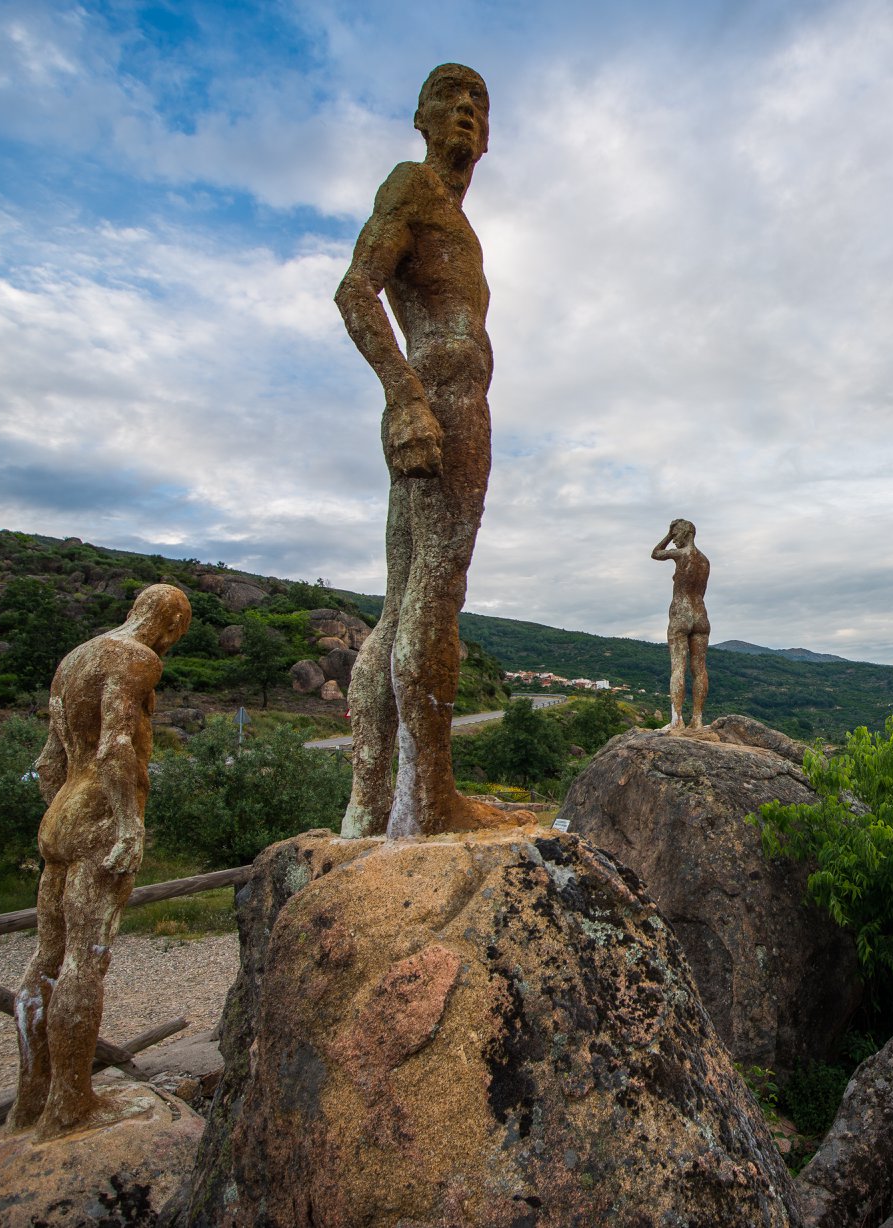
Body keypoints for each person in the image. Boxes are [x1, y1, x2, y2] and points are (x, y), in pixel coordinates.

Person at [335, 63, 512, 836]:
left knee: (402, 598)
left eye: (479, 101)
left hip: (437, 402)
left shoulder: (454, 218)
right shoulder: (411, 186)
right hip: (442, 403)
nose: (467, 110)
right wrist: (405, 396)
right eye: (451, 96)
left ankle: (370, 802)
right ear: (420, 118)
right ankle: (429, 801)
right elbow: (355, 289)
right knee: (437, 590)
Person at [10, 583, 189, 1137]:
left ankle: (28, 1102)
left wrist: (62, 812)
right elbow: (116, 746)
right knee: (84, 962)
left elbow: (48, 760)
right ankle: (70, 1104)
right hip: (99, 817)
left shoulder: (76, 659)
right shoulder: (136, 659)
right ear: (172, 623)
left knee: (46, 957)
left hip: (61, 812)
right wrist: (128, 822)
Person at [652, 519, 711, 730]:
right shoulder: (704, 560)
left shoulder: (682, 554)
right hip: (701, 615)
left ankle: (676, 719)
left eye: (676, 534)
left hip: (681, 614)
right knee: (700, 670)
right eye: (672, 534)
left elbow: (656, 553)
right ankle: (698, 719)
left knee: (678, 666)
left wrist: (666, 535)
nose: (674, 538)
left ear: (686, 533)